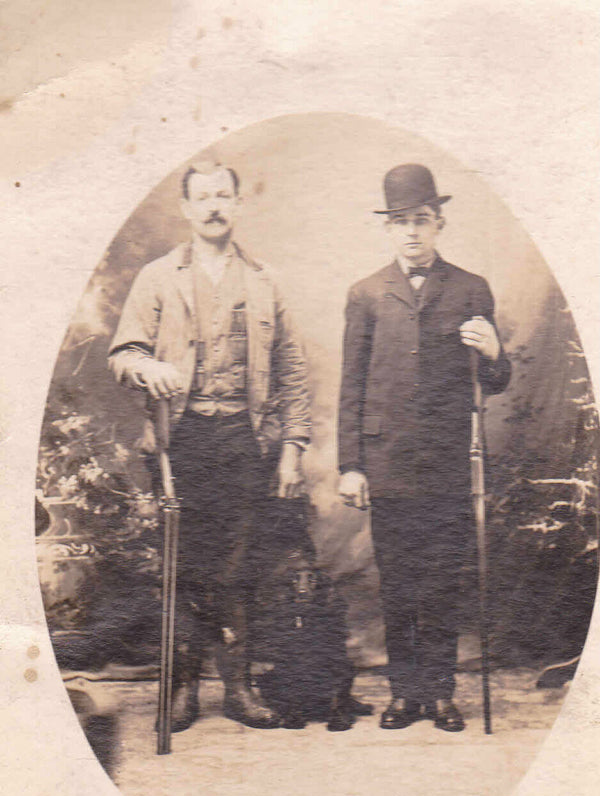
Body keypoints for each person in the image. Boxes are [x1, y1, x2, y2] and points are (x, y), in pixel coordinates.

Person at [109, 160, 311, 730]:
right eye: (203, 197)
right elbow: (123, 354)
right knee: (182, 565)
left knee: (239, 567)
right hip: (181, 441)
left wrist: (293, 448)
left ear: (238, 204)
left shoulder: (265, 280)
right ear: (187, 208)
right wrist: (148, 368)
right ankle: (182, 690)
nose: (214, 206)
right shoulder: (158, 277)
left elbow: (293, 370)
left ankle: (239, 690)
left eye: (224, 195)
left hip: (245, 441)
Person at [338, 164, 511, 731]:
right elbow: (352, 385)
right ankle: (404, 693)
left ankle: (439, 693)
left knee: (441, 579)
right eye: (400, 222)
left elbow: (494, 382)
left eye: (421, 220)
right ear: (387, 228)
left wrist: (493, 352)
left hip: (446, 462)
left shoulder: (470, 289)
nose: (411, 231)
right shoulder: (366, 294)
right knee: (397, 580)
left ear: (439, 224)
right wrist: (351, 465)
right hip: (386, 462)